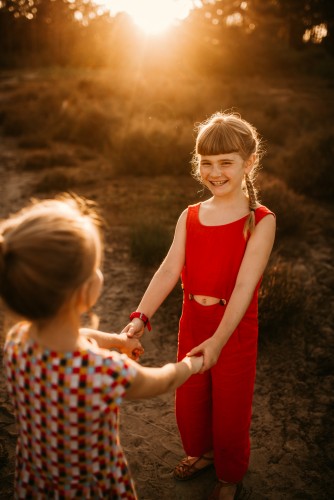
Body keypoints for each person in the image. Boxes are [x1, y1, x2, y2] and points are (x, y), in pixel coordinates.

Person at [0, 194, 204, 499]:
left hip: (37, 481)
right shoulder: (102, 370)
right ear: (84, 293)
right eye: (95, 266)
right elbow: (163, 380)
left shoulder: (17, 342)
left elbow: (81, 336)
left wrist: (119, 341)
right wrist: (194, 364)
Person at [123, 111, 276, 500]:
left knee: (230, 408)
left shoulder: (260, 220)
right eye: (207, 163)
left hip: (234, 329)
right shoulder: (191, 215)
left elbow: (244, 287)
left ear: (249, 163)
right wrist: (141, 317)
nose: (216, 172)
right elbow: (169, 269)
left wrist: (220, 340)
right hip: (193, 320)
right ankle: (205, 454)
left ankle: (229, 475)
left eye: (226, 162)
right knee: (190, 401)